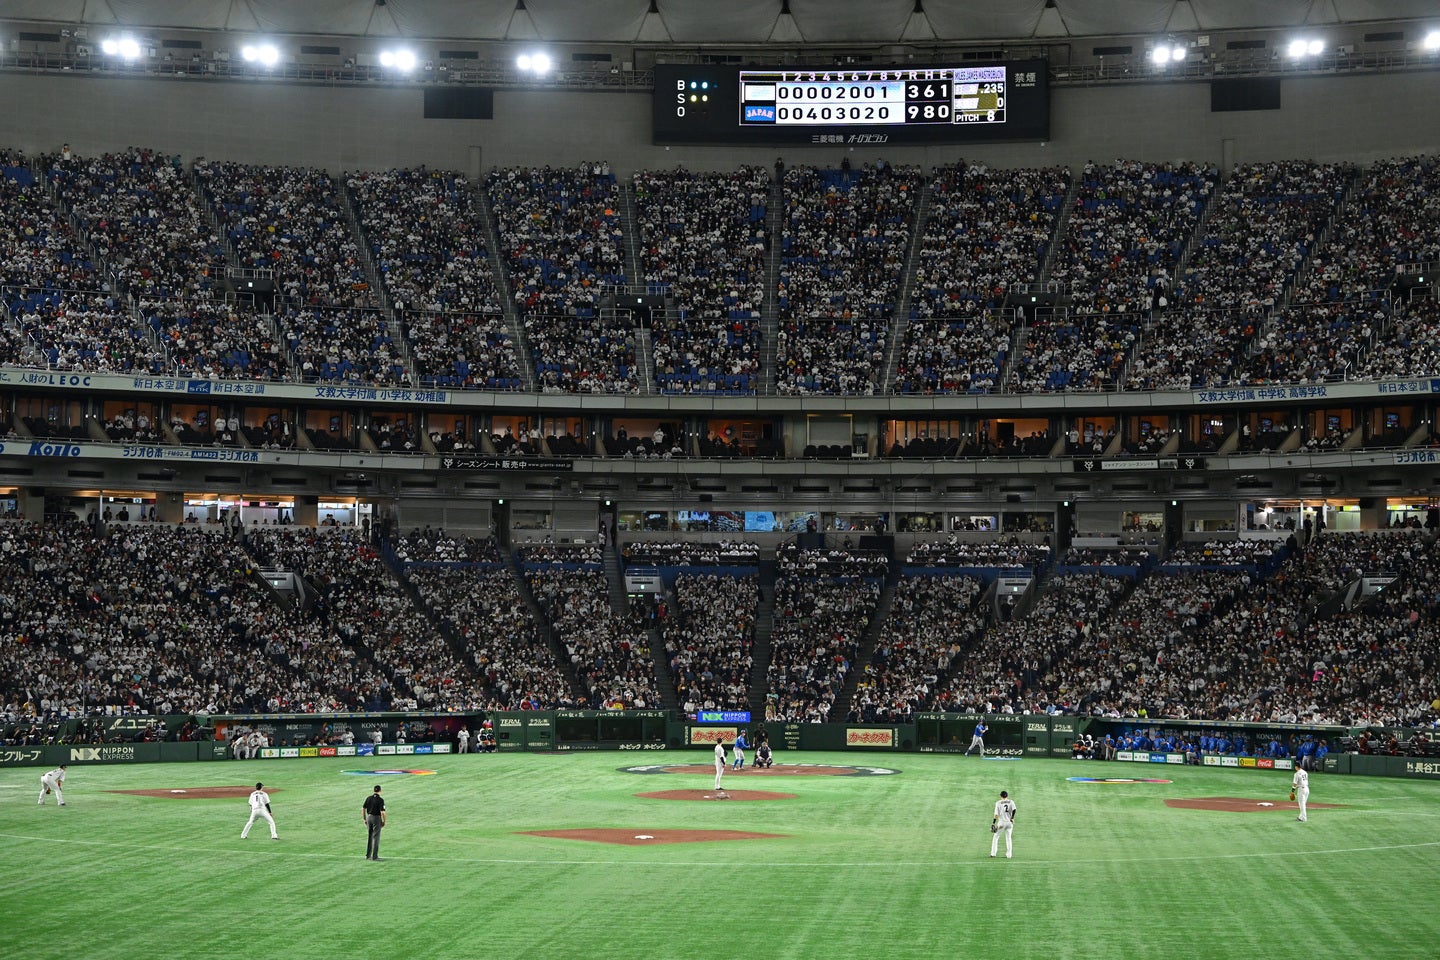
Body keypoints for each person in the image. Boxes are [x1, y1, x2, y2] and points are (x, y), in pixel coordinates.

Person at [990, 789, 1016, 859]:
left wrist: (993, 823)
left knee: (996, 837)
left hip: (1002, 823)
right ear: (1007, 796)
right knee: (1008, 838)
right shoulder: (1011, 802)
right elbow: (1014, 809)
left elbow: (996, 814)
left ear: (1001, 796)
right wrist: (1012, 818)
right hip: (1010, 823)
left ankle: (993, 853)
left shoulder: (998, 803)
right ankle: (1009, 855)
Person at [363, 784, 387, 859]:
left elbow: (363, 808)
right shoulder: (380, 800)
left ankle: (368, 855)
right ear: (380, 791)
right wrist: (384, 821)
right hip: (376, 818)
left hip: (369, 817)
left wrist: (364, 819)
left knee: (370, 836)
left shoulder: (368, 798)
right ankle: (375, 856)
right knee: (376, 837)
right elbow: (382, 812)